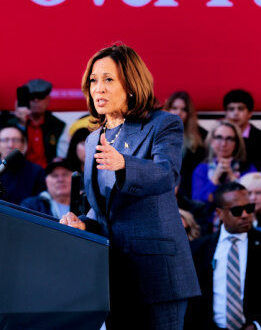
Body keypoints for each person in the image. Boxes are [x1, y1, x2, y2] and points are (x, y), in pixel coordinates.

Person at [60, 44, 199, 329]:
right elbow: (104, 209)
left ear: (132, 85)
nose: (98, 88)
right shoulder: (92, 138)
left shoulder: (163, 124)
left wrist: (125, 163)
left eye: (108, 79)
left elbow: (166, 175)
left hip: (157, 274)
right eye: (93, 80)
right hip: (113, 277)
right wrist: (85, 223)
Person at [185, 182, 261, 330]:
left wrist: (258, 325)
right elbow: (193, 301)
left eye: (249, 208)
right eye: (237, 211)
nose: (245, 215)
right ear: (219, 213)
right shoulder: (199, 249)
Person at [192, 121, 255, 210]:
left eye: (229, 139)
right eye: (219, 137)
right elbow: (198, 204)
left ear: (236, 143)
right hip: (209, 221)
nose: (223, 144)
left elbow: (253, 198)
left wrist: (232, 176)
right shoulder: (202, 169)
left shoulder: (247, 167)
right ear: (211, 141)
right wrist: (215, 178)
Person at [9, 78, 66, 168]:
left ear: (48, 99)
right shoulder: (10, 124)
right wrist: (21, 124)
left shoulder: (58, 125)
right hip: (21, 173)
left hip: (48, 175)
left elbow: (63, 155)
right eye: (32, 96)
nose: (36, 100)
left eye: (40, 96)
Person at [0, 125, 46, 204]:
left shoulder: (37, 172)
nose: (10, 145)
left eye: (15, 140)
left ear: (24, 145)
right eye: (5, 140)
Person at [163, 91, 206, 198]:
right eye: (175, 108)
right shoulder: (157, 132)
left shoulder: (202, 136)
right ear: (167, 109)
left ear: (189, 113)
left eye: (184, 109)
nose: (179, 112)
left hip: (190, 192)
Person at [223, 89, 261, 172]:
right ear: (225, 113)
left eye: (240, 109)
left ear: (250, 113)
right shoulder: (219, 137)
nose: (235, 113)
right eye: (231, 109)